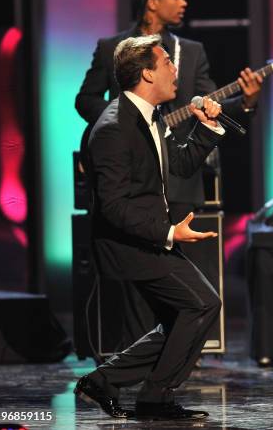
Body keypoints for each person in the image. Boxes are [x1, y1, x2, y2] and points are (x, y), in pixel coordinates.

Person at [75, 0, 263, 351]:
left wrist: (245, 101)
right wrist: (124, 119)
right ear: (152, 2)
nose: (184, 2)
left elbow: (210, 101)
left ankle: (169, 362)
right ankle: (129, 365)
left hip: (178, 173)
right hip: (134, 176)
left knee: (178, 285)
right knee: (139, 278)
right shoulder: (114, 47)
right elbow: (86, 99)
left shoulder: (190, 51)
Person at [74, 35, 225, 420]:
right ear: (146, 74)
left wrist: (206, 129)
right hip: (128, 243)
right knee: (203, 303)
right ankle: (154, 396)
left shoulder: (150, 114)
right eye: (167, 64)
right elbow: (112, 207)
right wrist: (170, 233)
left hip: (150, 235)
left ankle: (104, 382)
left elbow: (179, 165)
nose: (176, 70)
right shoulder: (113, 127)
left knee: (183, 316)